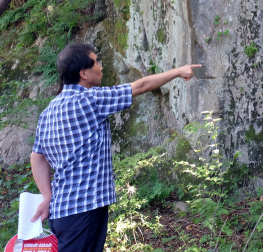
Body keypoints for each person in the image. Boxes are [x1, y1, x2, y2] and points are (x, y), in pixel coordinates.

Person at [30, 43, 201, 252]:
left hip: (61, 211)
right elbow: (140, 86)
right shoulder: (90, 100)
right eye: (96, 62)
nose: (101, 67)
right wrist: (178, 71)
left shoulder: (48, 111)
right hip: (84, 209)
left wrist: (47, 195)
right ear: (83, 73)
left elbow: (37, 157)